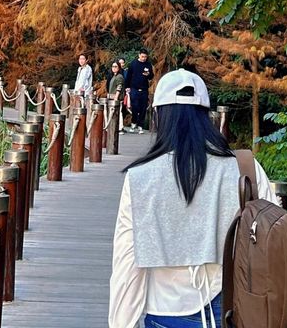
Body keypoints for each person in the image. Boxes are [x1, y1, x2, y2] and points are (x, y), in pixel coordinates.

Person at [109, 69, 277, 328]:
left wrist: (122, 324)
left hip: (166, 310)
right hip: (236, 308)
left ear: (158, 116)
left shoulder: (140, 178)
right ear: (208, 117)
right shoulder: (245, 168)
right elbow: (273, 238)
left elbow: (127, 263)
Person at [124, 49, 154, 133]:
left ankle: (140, 125)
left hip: (144, 89)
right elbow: (128, 76)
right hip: (134, 88)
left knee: (143, 107)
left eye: (145, 57)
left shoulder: (148, 64)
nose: (144, 58)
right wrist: (127, 87)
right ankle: (133, 123)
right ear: (139, 55)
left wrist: (148, 74)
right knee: (135, 106)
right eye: (142, 56)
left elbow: (151, 76)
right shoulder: (133, 64)